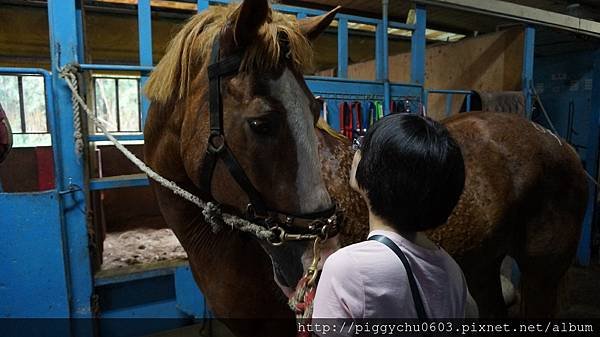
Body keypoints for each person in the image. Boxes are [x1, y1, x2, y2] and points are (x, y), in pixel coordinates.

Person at [312, 113, 478, 325]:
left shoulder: (346, 268)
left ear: (376, 175)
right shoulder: (452, 271)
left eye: (361, 145)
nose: (355, 152)